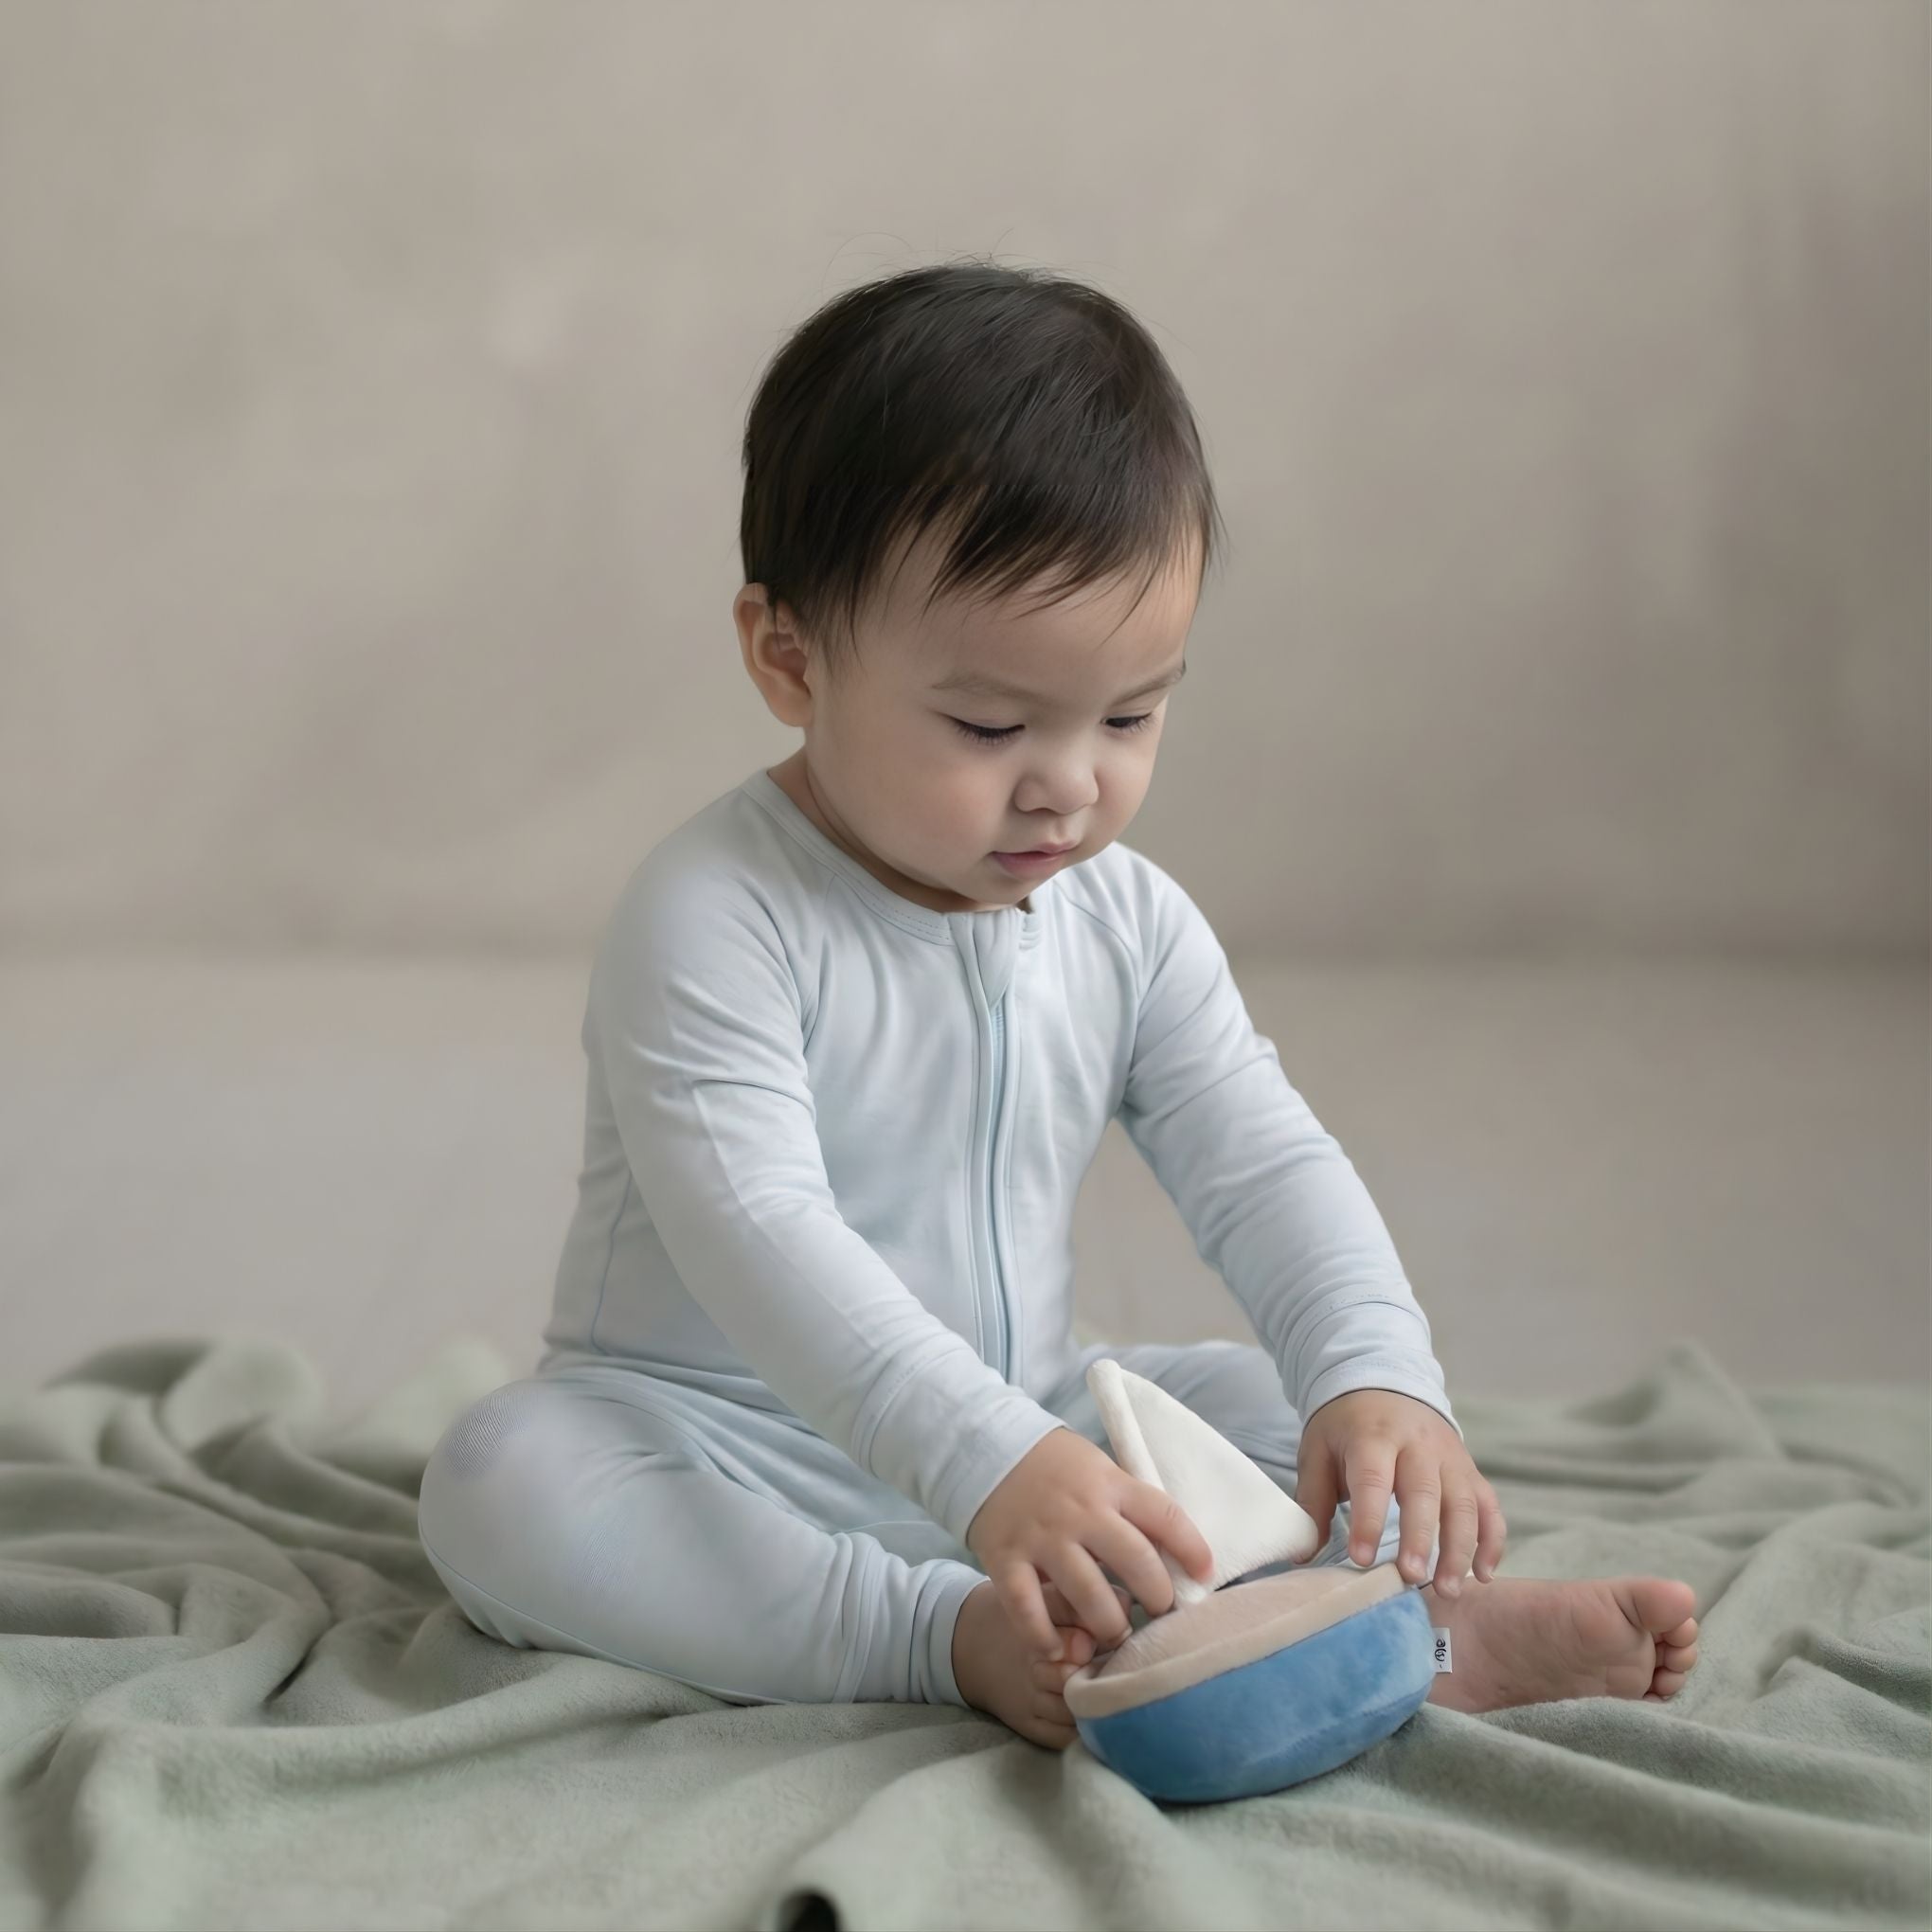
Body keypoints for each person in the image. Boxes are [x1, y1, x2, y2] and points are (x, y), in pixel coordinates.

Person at [416, 259, 1699, 1750]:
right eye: (989, 723)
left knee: (1270, 1405)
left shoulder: (1126, 921)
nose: (1070, 782)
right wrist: (982, 1463)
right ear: (789, 657)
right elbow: (763, 1233)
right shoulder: (713, 918)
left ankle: (1415, 1622)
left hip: (1037, 1431)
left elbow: (1262, 1161)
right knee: (500, 1483)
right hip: (716, 1443)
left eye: (1132, 716)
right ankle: (944, 1635)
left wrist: (1377, 1379)